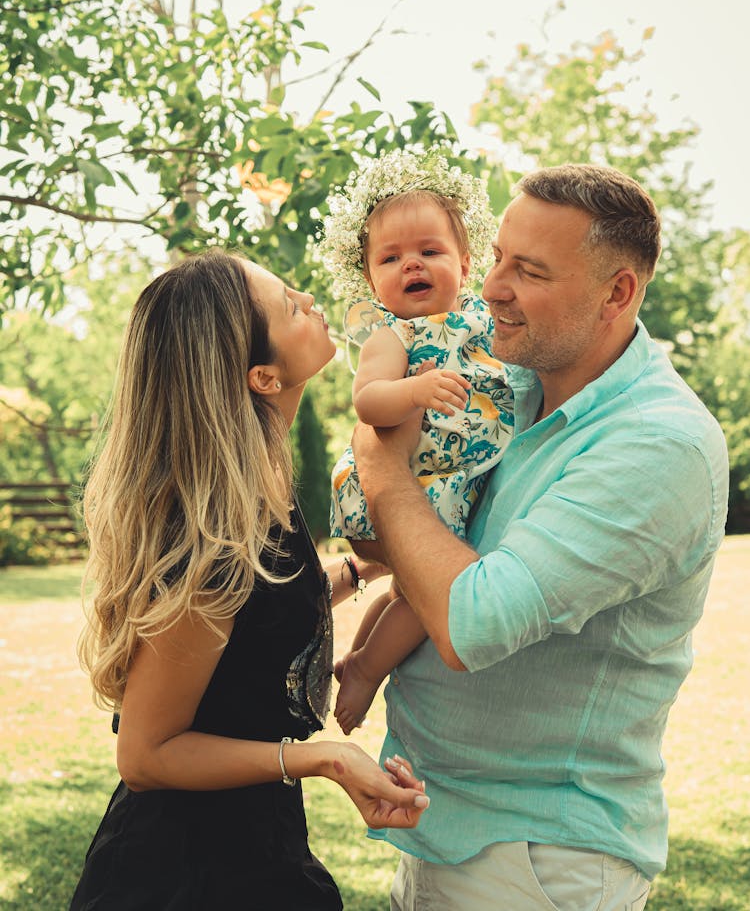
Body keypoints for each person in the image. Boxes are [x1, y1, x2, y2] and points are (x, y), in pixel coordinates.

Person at [350, 163, 729, 911]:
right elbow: (410, 551)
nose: (491, 287)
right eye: (495, 258)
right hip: (449, 825)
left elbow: (473, 621)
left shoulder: (658, 444)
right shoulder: (512, 381)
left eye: (528, 271)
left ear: (617, 293)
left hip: (538, 860)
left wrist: (383, 474)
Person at [69, 250, 429, 911]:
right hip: (182, 874)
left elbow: (259, 611)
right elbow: (146, 756)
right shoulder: (207, 546)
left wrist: (367, 566)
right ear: (264, 376)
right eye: (290, 303)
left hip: (254, 844)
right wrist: (322, 758)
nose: (312, 301)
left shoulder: (255, 494)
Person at [317, 149, 513, 734]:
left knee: (408, 591)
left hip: (452, 477)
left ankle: (356, 655)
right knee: (430, 600)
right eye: (392, 258)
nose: (412, 266)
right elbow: (368, 402)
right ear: (370, 276)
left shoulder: (484, 320)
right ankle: (367, 672)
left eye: (429, 252)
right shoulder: (392, 335)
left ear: (466, 261)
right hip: (415, 483)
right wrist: (415, 390)